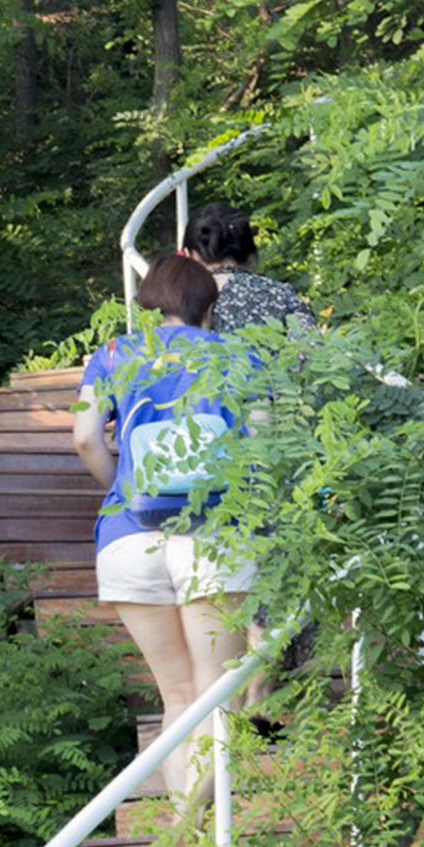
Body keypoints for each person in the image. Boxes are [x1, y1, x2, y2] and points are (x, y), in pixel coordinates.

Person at [72, 253, 262, 807]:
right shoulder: (238, 356)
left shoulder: (110, 356)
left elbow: (86, 438)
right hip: (214, 536)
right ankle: (192, 829)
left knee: (176, 696)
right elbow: (264, 447)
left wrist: (121, 490)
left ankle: (189, 834)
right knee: (218, 697)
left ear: (152, 302)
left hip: (129, 539)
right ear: (211, 305)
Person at [182, 202, 315, 336]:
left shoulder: (178, 304)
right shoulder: (281, 295)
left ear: (188, 255)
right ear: (251, 253)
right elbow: (309, 350)